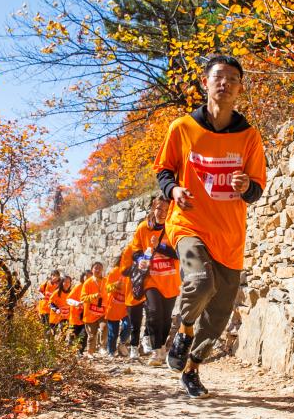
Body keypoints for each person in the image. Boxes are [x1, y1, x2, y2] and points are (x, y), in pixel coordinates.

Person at [153, 55, 266, 398]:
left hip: (229, 234)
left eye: (233, 79)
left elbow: (257, 190)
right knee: (200, 281)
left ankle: (192, 368)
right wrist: (174, 190)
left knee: (219, 313)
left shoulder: (249, 136)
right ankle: (185, 329)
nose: (225, 83)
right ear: (205, 82)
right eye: (218, 77)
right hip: (188, 223)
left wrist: (246, 185)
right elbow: (163, 170)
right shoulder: (182, 128)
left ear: (240, 88)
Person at [122, 196, 180, 367]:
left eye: (166, 209)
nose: (162, 213)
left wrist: (159, 247)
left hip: (170, 279)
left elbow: (178, 253)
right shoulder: (143, 228)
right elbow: (135, 249)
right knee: (154, 312)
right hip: (151, 278)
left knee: (166, 318)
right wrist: (140, 259)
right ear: (153, 208)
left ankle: (161, 348)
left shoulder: (174, 227)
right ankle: (155, 351)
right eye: (159, 208)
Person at [103, 256, 130, 357]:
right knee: (113, 332)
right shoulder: (115, 271)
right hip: (113, 306)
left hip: (126, 307)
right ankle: (111, 351)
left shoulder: (132, 271)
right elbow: (107, 289)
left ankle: (122, 344)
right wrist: (115, 285)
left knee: (128, 326)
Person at [80, 261, 107, 356]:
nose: (98, 270)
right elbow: (83, 298)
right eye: (96, 268)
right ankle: (90, 352)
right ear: (92, 270)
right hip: (90, 313)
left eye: (100, 268)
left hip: (102, 312)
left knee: (104, 327)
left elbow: (111, 291)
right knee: (92, 335)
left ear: (102, 270)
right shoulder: (87, 283)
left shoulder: (106, 281)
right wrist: (94, 296)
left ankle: (102, 347)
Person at [67, 270, 91, 355]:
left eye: (90, 276)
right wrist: (77, 303)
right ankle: (70, 353)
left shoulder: (92, 288)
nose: (88, 278)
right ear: (83, 277)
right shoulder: (78, 287)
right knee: (73, 336)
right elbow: (68, 299)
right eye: (86, 276)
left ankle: (80, 352)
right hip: (74, 317)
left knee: (84, 335)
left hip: (86, 317)